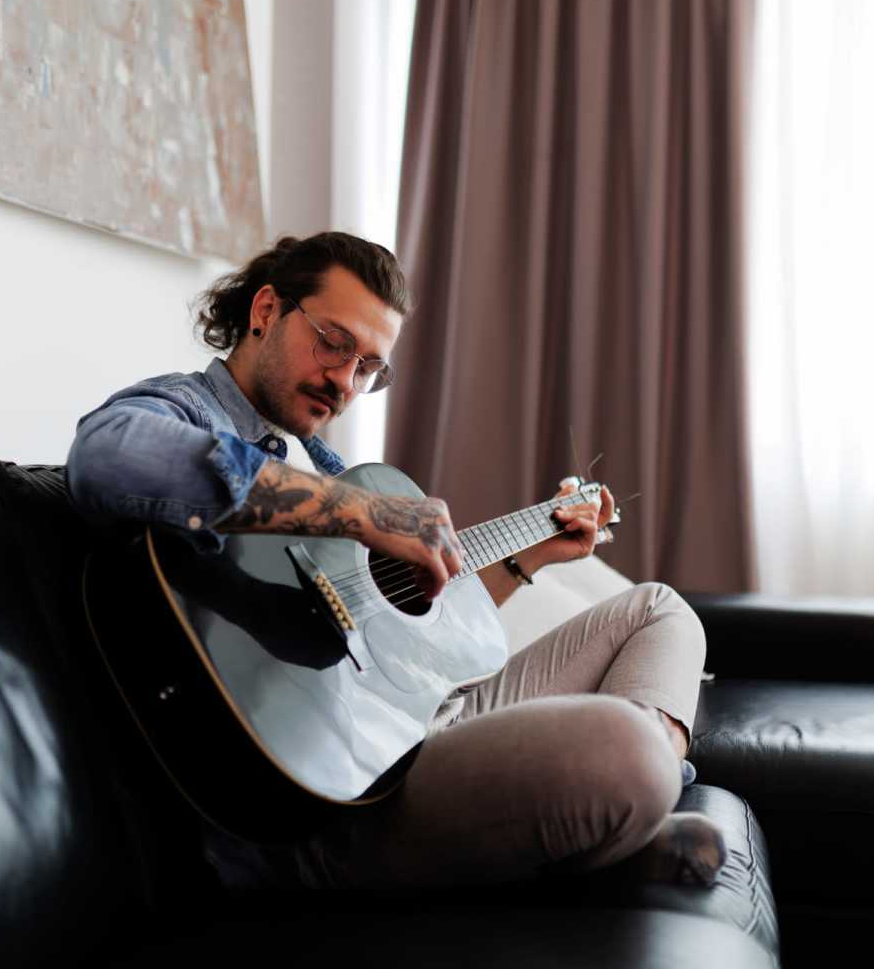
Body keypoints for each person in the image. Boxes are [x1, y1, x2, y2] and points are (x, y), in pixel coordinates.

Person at [67, 231, 726, 891]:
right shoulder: (191, 409)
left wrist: (526, 559)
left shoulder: (323, 463)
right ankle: (623, 814)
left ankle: (627, 818)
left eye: (369, 369)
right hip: (333, 799)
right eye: (334, 342)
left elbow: (416, 644)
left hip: (409, 732)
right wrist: (368, 514)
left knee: (661, 611)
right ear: (265, 310)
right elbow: (112, 454)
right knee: (626, 749)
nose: (346, 382)